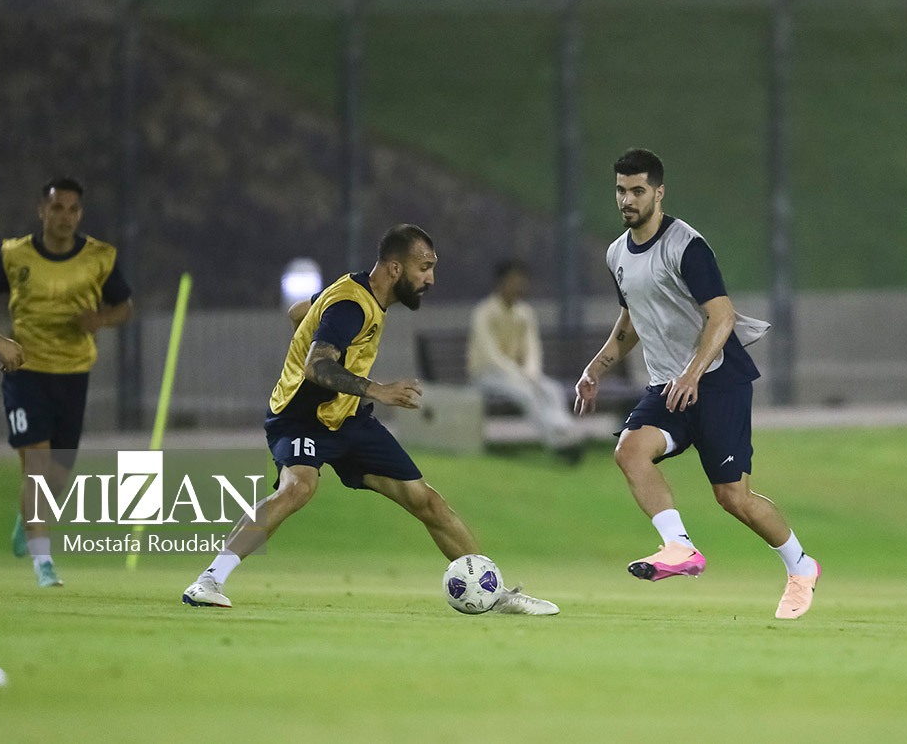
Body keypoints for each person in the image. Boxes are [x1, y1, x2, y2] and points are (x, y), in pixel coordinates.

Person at [181, 224, 558, 615]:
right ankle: (209, 579)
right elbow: (316, 366)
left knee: (426, 501)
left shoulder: (355, 293)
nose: (430, 279)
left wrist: (309, 336)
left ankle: (495, 593)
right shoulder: (351, 306)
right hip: (300, 419)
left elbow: (299, 313)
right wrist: (376, 389)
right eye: (424, 268)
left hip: (349, 419)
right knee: (298, 488)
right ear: (395, 269)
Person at [575, 148, 820, 620]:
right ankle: (680, 548)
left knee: (733, 498)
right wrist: (597, 368)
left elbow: (722, 316)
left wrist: (692, 374)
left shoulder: (686, 245)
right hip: (668, 386)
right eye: (621, 190)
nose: (628, 200)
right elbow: (631, 319)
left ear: (659, 193)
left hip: (718, 381)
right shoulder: (616, 253)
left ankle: (802, 567)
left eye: (638, 190)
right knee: (629, 450)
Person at [0, 177, 133, 588]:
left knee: (57, 477)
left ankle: (27, 518)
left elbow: (124, 306)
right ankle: (43, 562)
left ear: (80, 214)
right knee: (37, 464)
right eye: (57, 207)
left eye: (72, 209)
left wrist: (101, 319)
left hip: (73, 373)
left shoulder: (99, 257)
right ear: (41, 210)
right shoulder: (15, 254)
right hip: (25, 370)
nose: (65, 216)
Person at [467, 259, 582, 457]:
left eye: (521, 281)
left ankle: (568, 434)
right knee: (526, 394)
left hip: (520, 375)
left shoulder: (525, 313)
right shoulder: (484, 312)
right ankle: (557, 443)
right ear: (500, 283)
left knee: (551, 389)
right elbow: (489, 354)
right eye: (513, 281)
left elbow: (532, 348)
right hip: (487, 376)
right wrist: (518, 374)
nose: (518, 286)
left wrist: (531, 373)